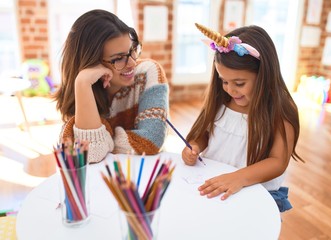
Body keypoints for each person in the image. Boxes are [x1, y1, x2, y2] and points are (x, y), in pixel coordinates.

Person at [182, 23, 304, 212]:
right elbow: (205, 134)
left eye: (239, 83)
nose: (230, 90)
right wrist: (195, 146)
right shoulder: (221, 100)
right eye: (224, 81)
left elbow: (278, 162)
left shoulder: (280, 111)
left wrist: (239, 177)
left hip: (254, 194)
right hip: (216, 188)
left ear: (264, 75)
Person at [54, 9, 169, 163]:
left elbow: (151, 141)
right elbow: (90, 154)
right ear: (92, 62)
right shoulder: (83, 87)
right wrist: (82, 83)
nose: (132, 63)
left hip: (145, 169)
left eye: (132, 50)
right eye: (119, 58)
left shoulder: (148, 72)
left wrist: (107, 140)